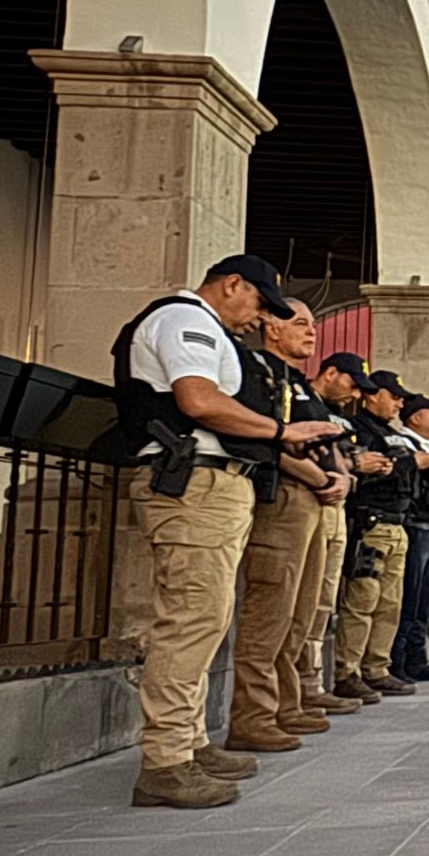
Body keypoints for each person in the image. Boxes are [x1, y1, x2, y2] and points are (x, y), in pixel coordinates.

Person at [110, 255, 339, 808]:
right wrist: (282, 431)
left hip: (215, 483)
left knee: (205, 617)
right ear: (231, 285)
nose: (258, 319)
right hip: (194, 480)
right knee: (191, 619)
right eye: (259, 305)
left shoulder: (207, 329)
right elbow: (198, 400)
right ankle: (166, 760)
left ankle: (189, 742)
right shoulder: (183, 320)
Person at [225, 299, 349, 754]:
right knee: (271, 608)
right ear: (271, 329)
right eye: (299, 323)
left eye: (314, 324)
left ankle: (286, 703)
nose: (311, 332)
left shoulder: (303, 387)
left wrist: (341, 475)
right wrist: (318, 476)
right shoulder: (257, 372)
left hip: (316, 503)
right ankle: (252, 716)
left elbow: (325, 439)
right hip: (282, 498)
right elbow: (262, 436)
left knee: (303, 610)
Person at [335, 370, 429, 701]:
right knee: (363, 600)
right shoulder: (359, 428)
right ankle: (347, 670)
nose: (398, 403)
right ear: (372, 395)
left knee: (389, 604)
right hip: (372, 522)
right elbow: (373, 466)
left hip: (397, 522)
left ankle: (377, 667)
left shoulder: (392, 433)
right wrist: (412, 462)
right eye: (392, 396)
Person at [296, 351, 380, 714]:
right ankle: (294, 689)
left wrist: (353, 465)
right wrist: (351, 465)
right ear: (330, 373)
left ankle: (309, 682)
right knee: (301, 600)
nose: (355, 396)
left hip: (336, 508)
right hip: (306, 499)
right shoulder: (300, 399)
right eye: (351, 384)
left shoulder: (339, 416)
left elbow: (342, 454)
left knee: (322, 600)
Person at [390, 393, 429, 683]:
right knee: (410, 596)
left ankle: (417, 656)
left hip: (428, 528)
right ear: (415, 418)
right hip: (414, 525)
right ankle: (401, 658)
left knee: (423, 599)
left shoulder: (428, 449)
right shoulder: (404, 445)